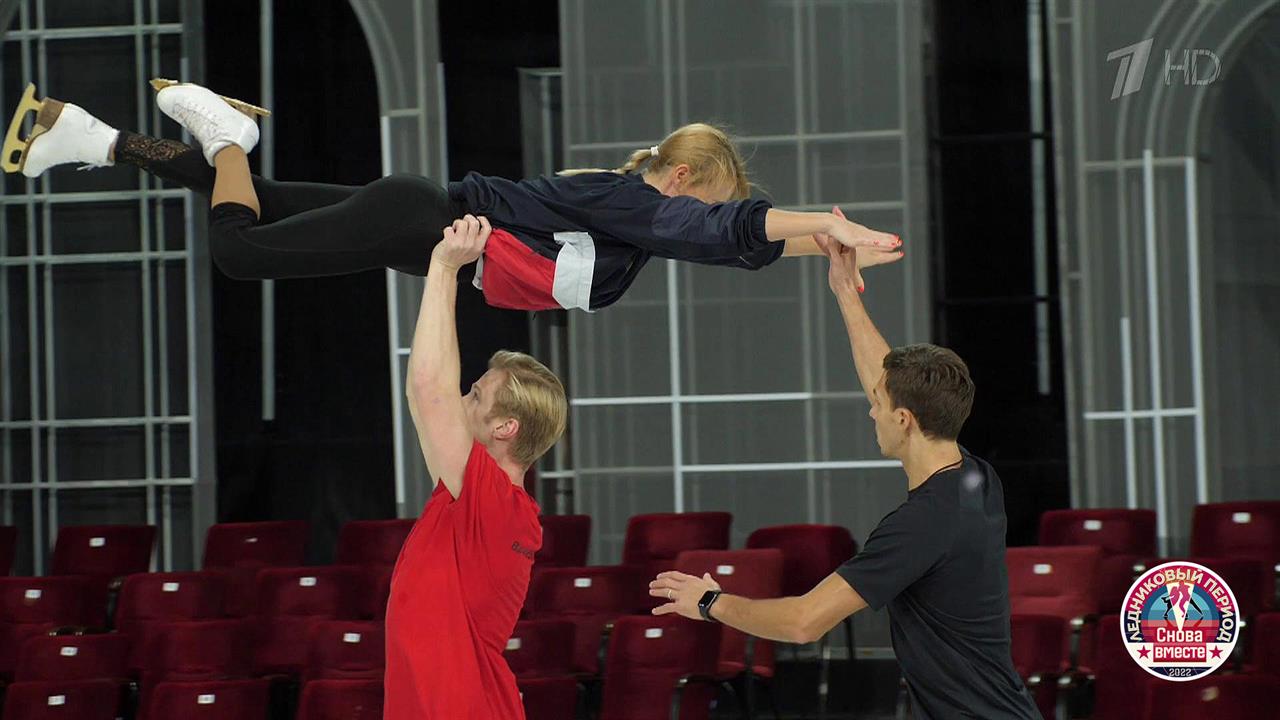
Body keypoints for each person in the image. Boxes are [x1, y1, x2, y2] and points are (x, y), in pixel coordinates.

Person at [3, 82, 903, 311]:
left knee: (257, 198)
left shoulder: (637, 224)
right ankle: (227, 128)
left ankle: (85, 136)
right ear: (680, 181)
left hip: (413, 216)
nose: (700, 218)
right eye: (703, 201)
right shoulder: (632, 203)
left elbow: (735, 242)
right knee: (238, 251)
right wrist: (832, 222)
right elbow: (726, 229)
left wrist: (821, 244)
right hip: (414, 218)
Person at [648, 209, 1041, 720]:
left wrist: (710, 603)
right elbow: (885, 379)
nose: (870, 409)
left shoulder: (921, 524)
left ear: (904, 420)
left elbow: (803, 622)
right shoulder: (977, 478)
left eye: (879, 406)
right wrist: (844, 290)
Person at [385, 212, 566, 718]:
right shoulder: (470, 499)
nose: (461, 399)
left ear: (504, 427)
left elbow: (428, 391)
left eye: (475, 395)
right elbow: (429, 400)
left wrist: (445, 268)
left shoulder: (496, 503)